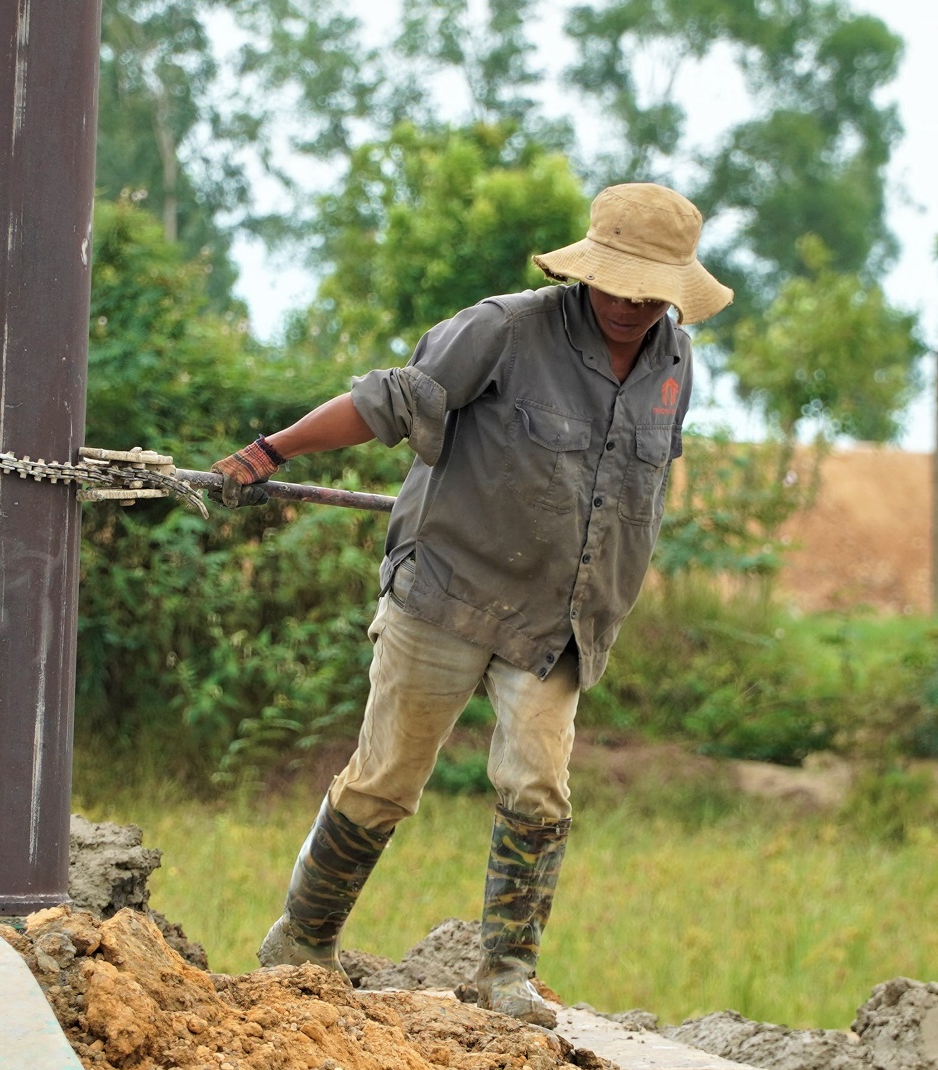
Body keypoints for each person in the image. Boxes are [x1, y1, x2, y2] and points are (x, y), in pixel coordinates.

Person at [212, 183, 732, 1026]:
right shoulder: (505, 328)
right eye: (620, 283)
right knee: (386, 779)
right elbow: (391, 400)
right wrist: (271, 451)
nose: (634, 304)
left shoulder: (675, 361)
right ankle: (301, 942)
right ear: (586, 269)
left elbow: (635, 489)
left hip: (560, 618)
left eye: (653, 290)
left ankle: (506, 974)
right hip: (449, 590)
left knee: (539, 788)